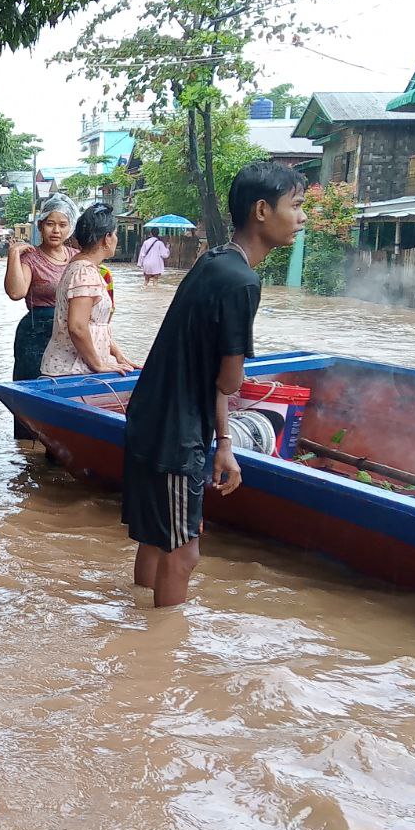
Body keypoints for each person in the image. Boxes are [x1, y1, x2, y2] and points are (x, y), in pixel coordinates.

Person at [122, 161, 307, 607]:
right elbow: (229, 378)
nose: (302, 218)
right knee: (185, 552)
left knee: (155, 537)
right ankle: (161, 662)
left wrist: (222, 440)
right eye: (296, 206)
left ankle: (135, 628)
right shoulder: (243, 281)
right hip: (174, 432)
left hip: (152, 416)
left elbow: (212, 375)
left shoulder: (215, 260)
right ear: (262, 210)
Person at [3, 194, 78, 439]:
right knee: (30, 393)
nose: (56, 230)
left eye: (62, 224)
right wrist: (13, 255)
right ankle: (26, 452)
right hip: (35, 334)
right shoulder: (30, 258)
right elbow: (16, 292)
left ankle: (59, 449)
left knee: (65, 393)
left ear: (70, 227)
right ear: (40, 226)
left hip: (70, 333)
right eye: (50, 223)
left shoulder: (77, 258)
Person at [40, 204, 137, 378]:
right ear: (107, 238)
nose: (116, 239)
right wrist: (98, 365)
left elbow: (95, 325)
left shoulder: (84, 268)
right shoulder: (85, 272)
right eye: (114, 234)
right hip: (72, 371)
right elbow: (77, 327)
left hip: (78, 369)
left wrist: (117, 355)